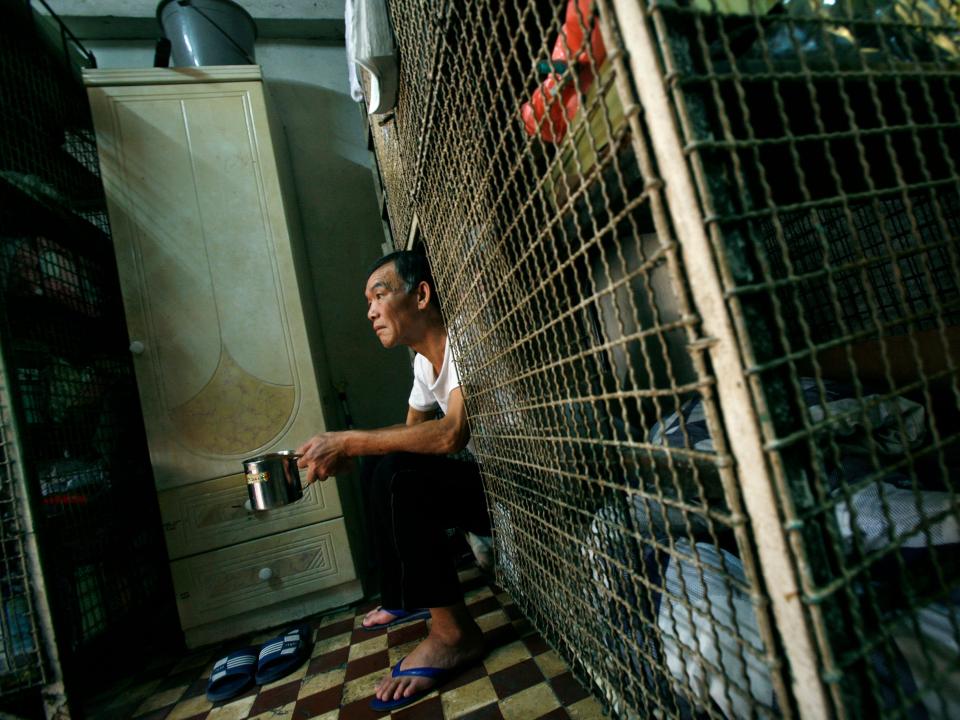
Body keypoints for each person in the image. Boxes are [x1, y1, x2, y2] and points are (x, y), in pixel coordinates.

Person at [296, 249, 490, 711]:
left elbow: (449, 435)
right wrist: (356, 451)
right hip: (487, 483)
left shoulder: (466, 337)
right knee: (380, 463)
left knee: (399, 473)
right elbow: (404, 439)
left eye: (379, 295)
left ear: (421, 295)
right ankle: (405, 593)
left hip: (522, 483)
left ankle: (453, 633)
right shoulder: (424, 363)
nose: (370, 311)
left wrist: (351, 441)